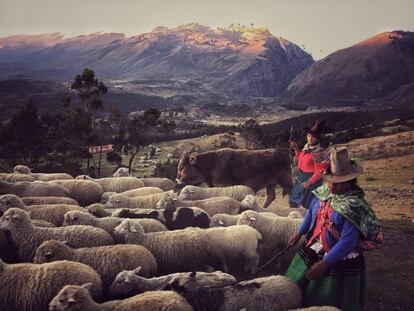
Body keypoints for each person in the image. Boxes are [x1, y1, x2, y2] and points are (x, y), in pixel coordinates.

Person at [285, 146, 383, 311]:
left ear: (350, 182)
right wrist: (299, 233)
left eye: (338, 183)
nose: (331, 185)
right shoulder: (323, 193)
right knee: (296, 282)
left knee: (329, 296)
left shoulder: (354, 206)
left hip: (338, 256)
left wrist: (326, 263)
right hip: (315, 247)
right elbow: (311, 214)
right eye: (329, 180)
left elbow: (348, 241)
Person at [289, 120, 328, 209]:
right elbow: (301, 159)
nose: (310, 138)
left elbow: (319, 172)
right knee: (293, 201)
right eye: (309, 135)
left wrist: (308, 182)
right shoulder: (306, 147)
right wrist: (295, 148)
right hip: (301, 177)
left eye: (313, 137)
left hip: (312, 180)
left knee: (308, 204)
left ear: (318, 139)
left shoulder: (319, 152)